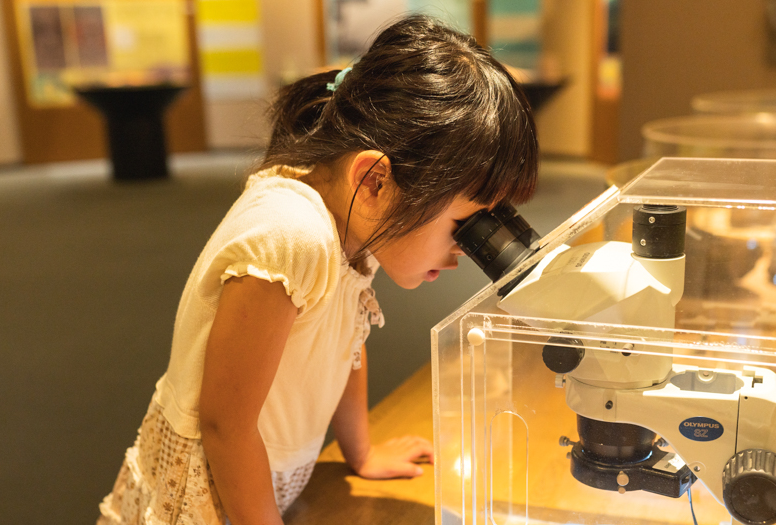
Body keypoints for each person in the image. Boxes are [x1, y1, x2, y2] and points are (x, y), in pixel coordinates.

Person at [97, 14, 538, 525]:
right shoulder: (290, 236)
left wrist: (362, 452)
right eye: (464, 222)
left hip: (256, 486)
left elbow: (346, 344)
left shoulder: (356, 224)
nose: (467, 248)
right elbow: (225, 425)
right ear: (374, 181)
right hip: (205, 499)